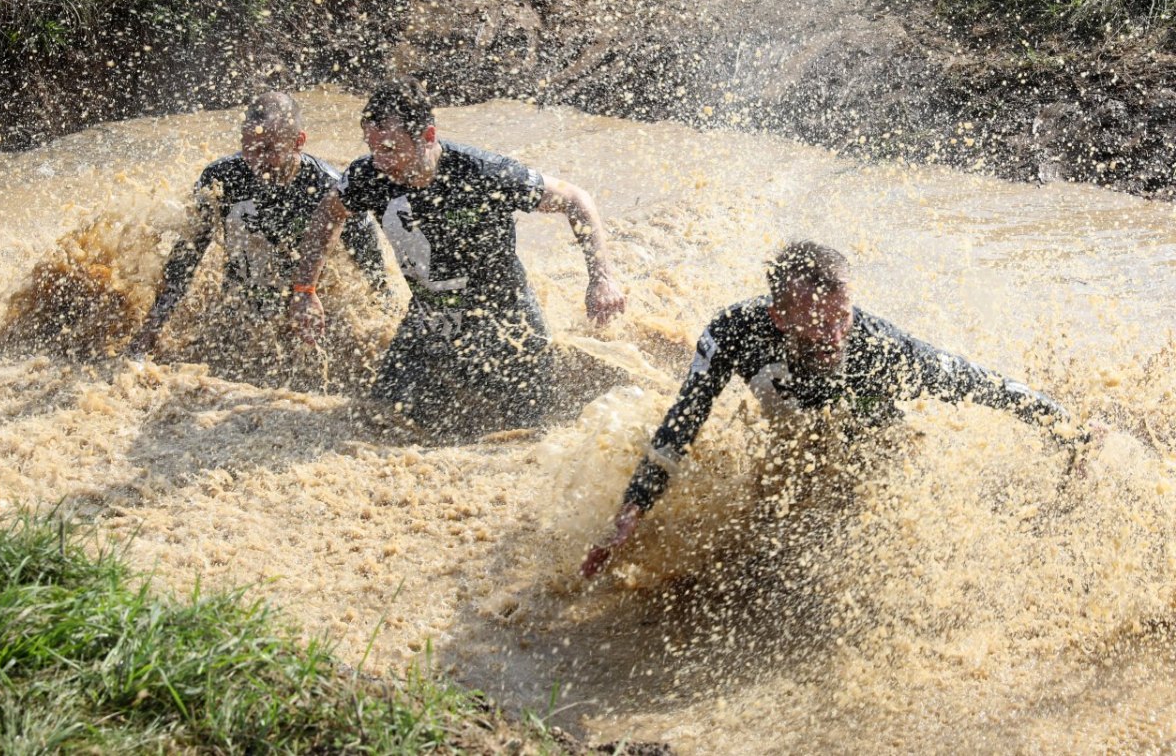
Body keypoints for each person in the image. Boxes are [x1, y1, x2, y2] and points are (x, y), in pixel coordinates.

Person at [581, 240, 1086, 578]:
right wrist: (632, 512)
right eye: (815, 321)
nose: (832, 336)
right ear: (779, 315)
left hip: (873, 447)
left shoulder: (881, 349)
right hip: (792, 433)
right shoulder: (734, 332)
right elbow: (683, 422)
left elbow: (981, 384)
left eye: (840, 318)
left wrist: (1068, 427)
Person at [289, 77, 626, 436]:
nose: (380, 161)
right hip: (429, 316)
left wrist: (601, 278)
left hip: (505, 316)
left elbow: (575, 199)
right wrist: (306, 290)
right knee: (382, 420)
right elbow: (329, 214)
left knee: (529, 431)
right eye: (373, 148)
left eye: (390, 148)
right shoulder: (367, 176)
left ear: (428, 136)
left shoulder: (481, 173)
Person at [125, 91, 384, 367]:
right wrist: (146, 337)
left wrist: (383, 315)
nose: (258, 161)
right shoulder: (223, 178)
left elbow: (369, 259)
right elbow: (187, 257)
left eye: (270, 150)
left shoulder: (328, 187)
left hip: (305, 308)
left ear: (298, 142)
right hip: (239, 307)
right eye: (250, 148)